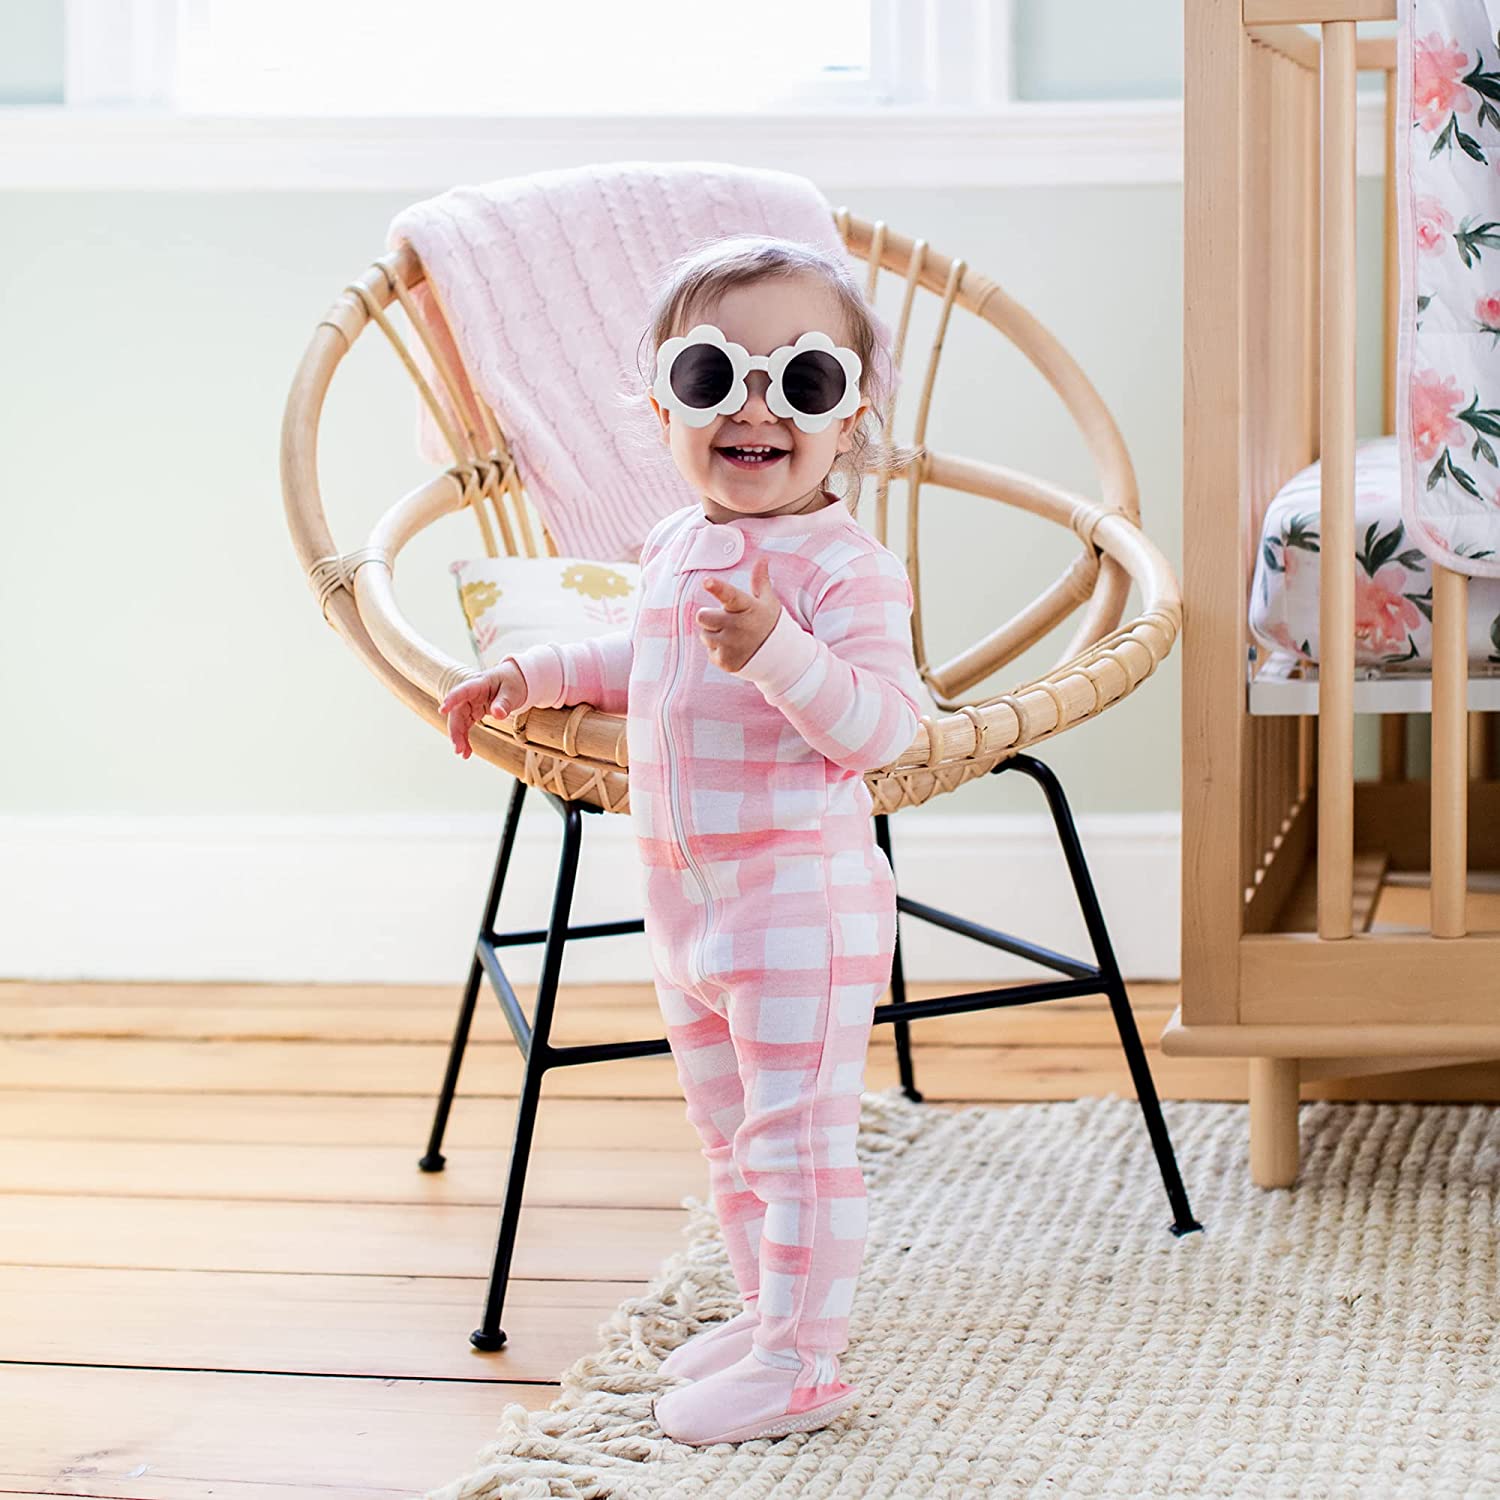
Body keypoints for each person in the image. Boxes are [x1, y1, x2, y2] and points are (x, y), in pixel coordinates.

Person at [441, 234, 922, 1445]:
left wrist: (778, 650)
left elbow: (883, 728)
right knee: (728, 1137)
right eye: (713, 375)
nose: (756, 409)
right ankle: (768, 1316)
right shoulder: (671, 544)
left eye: (802, 380)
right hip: (687, 910)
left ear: (852, 415)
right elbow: (645, 656)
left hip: (799, 906)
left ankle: (803, 1366)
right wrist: (532, 672)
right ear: (661, 408)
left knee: (796, 1141)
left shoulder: (846, 569)